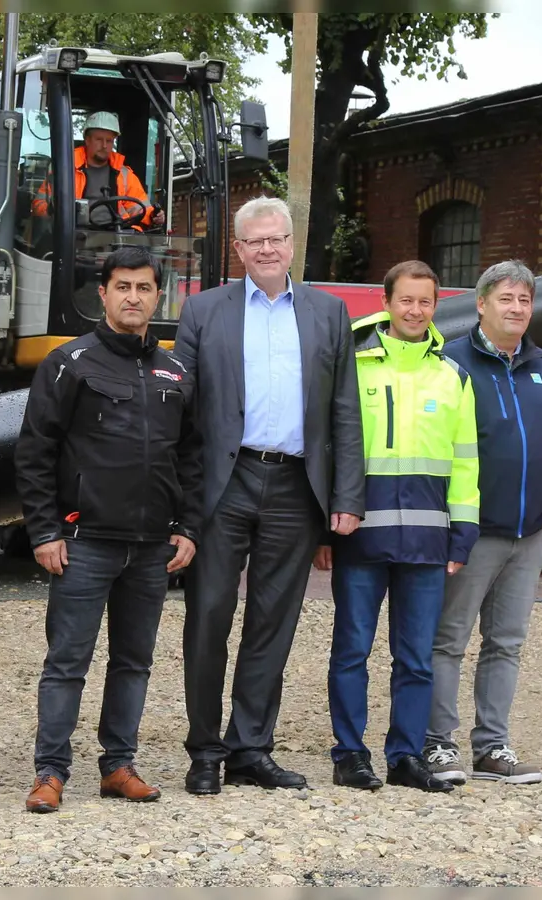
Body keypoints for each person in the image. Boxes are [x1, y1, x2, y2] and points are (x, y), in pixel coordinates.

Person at [174, 195, 366, 795]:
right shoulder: (203, 311)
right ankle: (204, 750)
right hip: (222, 485)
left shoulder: (328, 313)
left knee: (272, 623)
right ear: (237, 249)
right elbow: (180, 413)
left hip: (295, 486)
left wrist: (347, 497)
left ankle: (250, 748)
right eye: (254, 241)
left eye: (275, 239)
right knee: (208, 618)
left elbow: (345, 412)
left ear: (291, 245)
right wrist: (177, 500)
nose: (266, 249)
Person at [14, 246, 202, 813]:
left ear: (157, 295)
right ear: (103, 293)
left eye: (144, 288)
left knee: (133, 661)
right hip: (84, 542)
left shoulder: (176, 372)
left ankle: (118, 766)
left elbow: (192, 458)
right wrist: (45, 531)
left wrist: (188, 527)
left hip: (151, 549)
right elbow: (35, 452)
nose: (134, 298)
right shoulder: (69, 364)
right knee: (67, 662)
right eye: (123, 287)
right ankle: (50, 773)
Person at [314, 260, 478, 794]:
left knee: (415, 658)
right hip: (360, 538)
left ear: (437, 305)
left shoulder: (453, 375)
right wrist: (323, 528)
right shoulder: (353, 366)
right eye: (405, 300)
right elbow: (329, 448)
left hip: (428, 543)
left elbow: (466, 462)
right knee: (352, 650)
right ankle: (350, 755)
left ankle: (405, 756)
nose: (415, 311)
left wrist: (465, 531)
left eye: (425, 302)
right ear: (387, 302)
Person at [426, 260, 542, 786]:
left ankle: (492, 747)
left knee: (506, 643)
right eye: (507, 299)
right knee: (448, 640)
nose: (517, 309)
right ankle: (438, 744)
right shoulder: (451, 362)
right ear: (482, 304)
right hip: (472, 531)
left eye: (524, 301)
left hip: (530, 532)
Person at [31, 111, 164, 231]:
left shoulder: (124, 175)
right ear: (87, 140)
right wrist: (53, 209)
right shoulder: (65, 171)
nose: (105, 146)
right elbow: (38, 205)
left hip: (116, 239)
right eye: (99, 140)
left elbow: (139, 208)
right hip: (74, 238)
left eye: (109, 141)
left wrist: (153, 216)